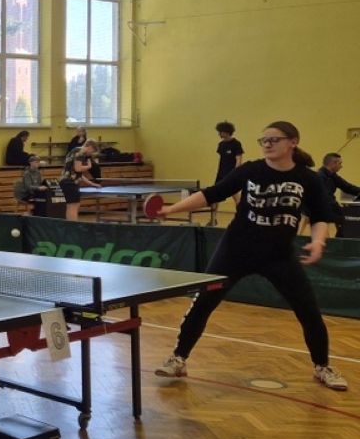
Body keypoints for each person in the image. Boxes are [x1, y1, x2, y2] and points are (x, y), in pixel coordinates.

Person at [154, 121, 347, 391]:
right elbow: (212, 194)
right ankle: (178, 358)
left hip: (279, 255)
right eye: (263, 140)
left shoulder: (308, 178)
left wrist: (317, 242)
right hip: (235, 251)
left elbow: (320, 216)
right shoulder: (250, 170)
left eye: (274, 139)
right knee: (203, 303)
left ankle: (322, 367)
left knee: (308, 310)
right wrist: (171, 210)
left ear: (293, 142)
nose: (267, 144)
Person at [318, 152, 360, 233]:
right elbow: (325, 198)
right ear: (333, 163)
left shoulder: (333, 176)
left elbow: (347, 187)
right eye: (340, 163)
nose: (341, 166)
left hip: (328, 205)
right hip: (319, 207)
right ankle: (341, 238)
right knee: (344, 217)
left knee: (344, 215)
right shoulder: (320, 176)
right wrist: (338, 208)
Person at [60, 141, 100, 221]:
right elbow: (78, 169)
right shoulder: (80, 153)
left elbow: (78, 174)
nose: (91, 154)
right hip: (71, 183)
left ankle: (70, 226)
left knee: (70, 206)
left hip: (65, 182)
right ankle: (74, 226)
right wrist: (88, 166)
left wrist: (92, 184)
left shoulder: (75, 150)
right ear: (90, 147)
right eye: (92, 151)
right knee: (74, 206)